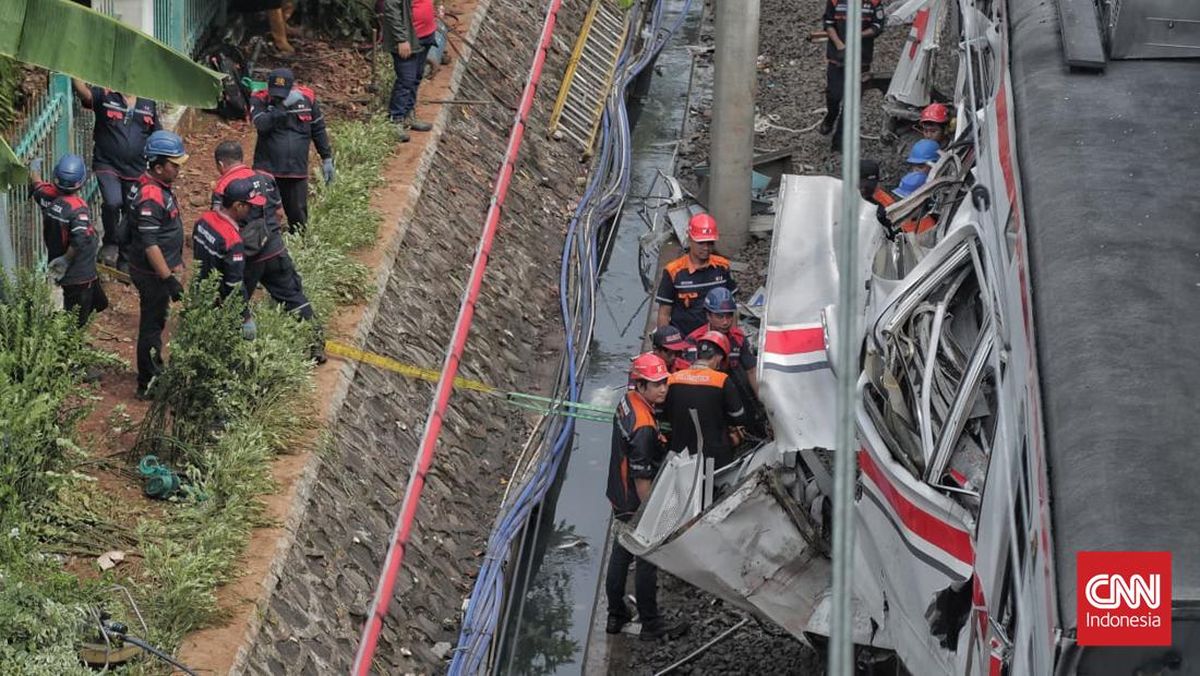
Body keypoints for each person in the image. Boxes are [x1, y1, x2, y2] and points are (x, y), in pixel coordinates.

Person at [213, 142, 326, 362]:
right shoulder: (265, 178)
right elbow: (279, 214)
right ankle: (316, 345)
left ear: (220, 164)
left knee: (234, 303)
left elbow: (221, 226)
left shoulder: (224, 187)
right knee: (294, 296)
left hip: (246, 258)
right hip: (275, 250)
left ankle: (230, 357)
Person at [605, 353, 684, 642]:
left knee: (620, 553)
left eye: (664, 382)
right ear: (640, 385)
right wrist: (652, 516)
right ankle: (651, 623)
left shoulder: (627, 401)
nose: (663, 388)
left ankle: (616, 614)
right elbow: (642, 478)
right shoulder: (644, 428)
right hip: (635, 499)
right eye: (655, 384)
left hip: (618, 493)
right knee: (646, 556)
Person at [123, 130, 188, 399]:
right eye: (175, 165)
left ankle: (154, 369)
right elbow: (150, 244)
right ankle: (147, 382)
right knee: (151, 326)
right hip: (152, 275)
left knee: (156, 322)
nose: (179, 170)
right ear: (158, 167)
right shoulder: (151, 194)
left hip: (156, 270)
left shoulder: (155, 186)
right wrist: (168, 279)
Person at [71, 79, 161, 270]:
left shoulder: (148, 103)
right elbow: (84, 93)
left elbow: (156, 135)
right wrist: (73, 72)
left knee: (131, 212)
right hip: (107, 164)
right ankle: (110, 241)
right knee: (112, 202)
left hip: (136, 169)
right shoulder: (105, 95)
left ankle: (125, 258)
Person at [251, 68, 334, 232]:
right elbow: (262, 124)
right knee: (264, 215)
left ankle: (300, 249)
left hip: (296, 171)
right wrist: (282, 106)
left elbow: (318, 129)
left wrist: (327, 158)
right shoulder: (259, 98)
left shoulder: (307, 98)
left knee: (298, 217)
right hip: (267, 170)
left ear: (292, 87)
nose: (277, 96)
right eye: (275, 92)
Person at [29, 154, 108, 327]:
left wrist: (33, 168)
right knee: (76, 322)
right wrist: (66, 260)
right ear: (81, 182)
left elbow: (36, 185)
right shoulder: (77, 209)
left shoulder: (47, 196)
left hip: (74, 268)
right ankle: (67, 346)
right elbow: (80, 240)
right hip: (78, 273)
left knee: (100, 303)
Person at [664, 331, 746, 470]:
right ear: (718, 358)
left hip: (680, 454)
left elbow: (665, 413)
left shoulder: (673, 378)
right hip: (714, 457)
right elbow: (739, 417)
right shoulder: (722, 380)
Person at [818, 0, 886, 150]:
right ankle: (831, 116)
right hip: (837, 57)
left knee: (851, 101)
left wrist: (859, 35)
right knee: (834, 94)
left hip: (861, 58)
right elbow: (828, 23)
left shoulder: (874, 2)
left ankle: (839, 142)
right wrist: (839, 44)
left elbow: (878, 26)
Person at [655, 213, 737, 336]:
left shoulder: (722, 267)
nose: (706, 248)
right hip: (684, 340)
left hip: (716, 340)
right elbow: (664, 313)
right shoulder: (673, 272)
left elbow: (733, 307)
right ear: (690, 239)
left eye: (710, 243)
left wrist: (734, 337)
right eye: (701, 243)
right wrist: (665, 343)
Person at [379, 0, 437, 141]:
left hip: (426, 35)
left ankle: (408, 115)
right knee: (406, 80)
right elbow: (391, 11)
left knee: (417, 76)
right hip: (409, 39)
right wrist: (401, 39)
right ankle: (396, 119)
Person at [686, 287, 758, 395]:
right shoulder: (695, 340)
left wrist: (762, 400)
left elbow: (751, 370)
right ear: (708, 316)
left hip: (733, 391)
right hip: (704, 392)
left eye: (729, 316)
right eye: (720, 316)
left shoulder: (738, 337)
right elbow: (689, 376)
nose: (725, 322)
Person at [193, 178, 251, 310]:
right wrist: (246, 317)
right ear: (238, 206)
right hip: (217, 304)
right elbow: (234, 284)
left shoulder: (203, 219)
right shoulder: (232, 240)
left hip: (199, 292)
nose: (251, 209)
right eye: (249, 205)